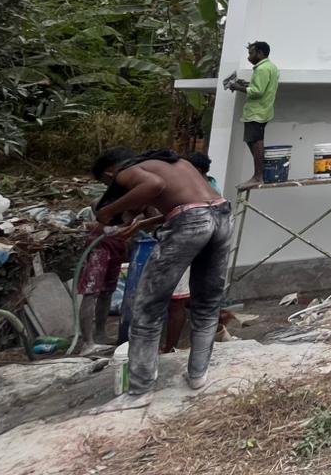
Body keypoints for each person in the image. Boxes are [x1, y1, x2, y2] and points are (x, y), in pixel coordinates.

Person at [89, 148, 231, 412]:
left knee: (148, 308)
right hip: (221, 216)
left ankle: (139, 391)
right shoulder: (173, 162)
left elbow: (154, 186)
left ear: (109, 174)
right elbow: (194, 203)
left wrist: (108, 212)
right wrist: (142, 224)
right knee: (207, 304)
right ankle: (197, 375)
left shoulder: (125, 172)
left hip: (190, 224)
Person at [75, 147, 138, 355]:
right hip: (100, 245)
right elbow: (95, 216)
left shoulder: (133, 188)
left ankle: (100, 335)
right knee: (92, 290)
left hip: (117, 244)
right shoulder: (107, 197)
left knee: (107, 291)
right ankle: (87, 342)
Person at [161, 152, 222, 354]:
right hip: (205, 249)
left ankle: (170, 348)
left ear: (197, 170)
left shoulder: (200, 191)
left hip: (191, 248)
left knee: (178, 301)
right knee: (195, 297)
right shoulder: (210, 187)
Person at [227, 40, 280, 188]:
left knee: (256, 142)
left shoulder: (262, 69)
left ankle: (258, 176)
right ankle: (260, 174)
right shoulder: (271, 67)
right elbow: (261, 87)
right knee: (254, 141)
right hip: (262, 111)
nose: (249, 57)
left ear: (260, 53)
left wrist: (237, 87)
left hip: (256, 112)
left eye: (251, 53)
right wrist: (246, 84)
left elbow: (258, 91)